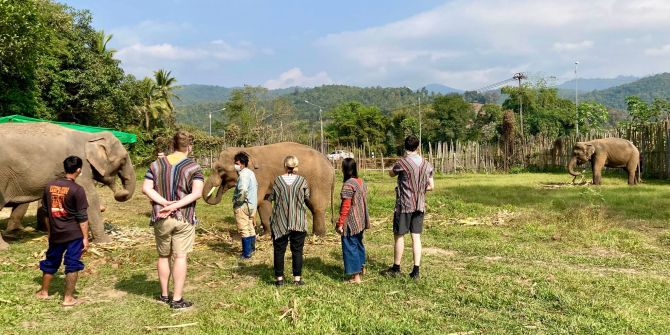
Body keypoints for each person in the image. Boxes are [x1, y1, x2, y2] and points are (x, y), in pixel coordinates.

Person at [142, 131, 204, 309]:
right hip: (183, 217)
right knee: (180, 256)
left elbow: (146, 188)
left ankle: (163, 295)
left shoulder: (155, 165)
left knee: (163, 256)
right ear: (189, 147)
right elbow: (197, 193)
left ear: (172, 145)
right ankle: (177, 299)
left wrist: (164, 203)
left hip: (161, 216)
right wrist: (175, 206)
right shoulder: (193, 167)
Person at [36, 156, 89, 307]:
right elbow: (82, 217)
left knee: (51, 261)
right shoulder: (77, 190)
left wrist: (50, 231)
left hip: (56, 233)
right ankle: (68, 298)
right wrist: (85, 237)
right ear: (78, 170)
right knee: (72, 264)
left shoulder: (49, 186)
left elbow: (45, 212)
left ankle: (44, 292)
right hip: (74, 234)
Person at [383, 135, 434, 280]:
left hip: (404, 205)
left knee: (399, 236)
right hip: (420, 205)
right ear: (418, 147)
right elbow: (431, 186)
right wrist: (419, 189)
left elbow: (391, 173)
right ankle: (416, 271)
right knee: (416, 237)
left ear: (405, 146)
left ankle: (396, 268)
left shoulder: (402, 163)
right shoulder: (427, 164)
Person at [268, 155, 310, 286]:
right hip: (298, 220)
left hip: (280, 221)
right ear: (296, 166)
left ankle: (279, 279)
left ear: (285, 165)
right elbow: (306, 197)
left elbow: (272, 197)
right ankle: (297, 279)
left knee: (279, 250)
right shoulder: (302, 181)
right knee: (297, 250)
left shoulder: (278, 181)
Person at [336, 158, 369, 284]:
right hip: (360, 220)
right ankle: (361, 267)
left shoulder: (348, 184)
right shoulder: (361, 182)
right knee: (358, 243)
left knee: (350, 247)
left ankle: (355, 277)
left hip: (351, 221)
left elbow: (346, 206)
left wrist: (340, 223)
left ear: (344, 169)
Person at [232, 151, 258, 259]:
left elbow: (242, 190)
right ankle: (252, 249)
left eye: (237, 163)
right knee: (250, 227)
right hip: (252, 205)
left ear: (242, 164)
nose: (236, 165)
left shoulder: (243, 175)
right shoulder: (251, 173)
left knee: (243, 229)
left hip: (244, 205)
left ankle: (246, 253)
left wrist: (238, 202)